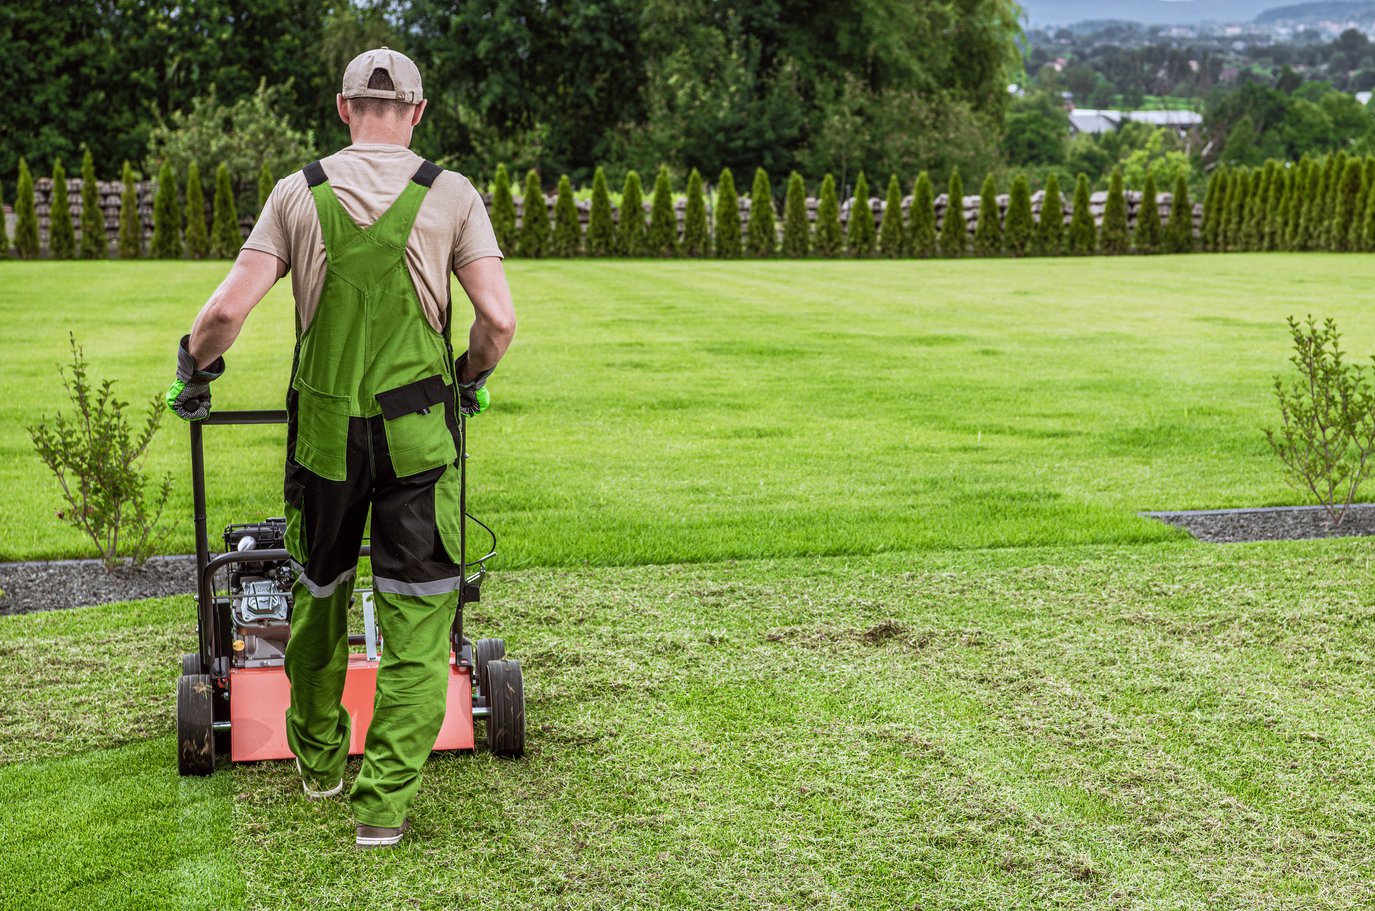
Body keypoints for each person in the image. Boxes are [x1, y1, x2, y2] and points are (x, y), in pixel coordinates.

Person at [166, 47, 516, 849]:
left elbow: (226, 311)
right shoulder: (453, 194)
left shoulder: (299, 192)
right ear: (418, 113)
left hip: (325, 440)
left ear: (342, 107)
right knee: (422, 616)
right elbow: (497, 322)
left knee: (319, 593)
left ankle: (319, 760)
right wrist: (465, 377)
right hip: (420, 438)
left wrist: (194, 363)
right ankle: (382, 805)